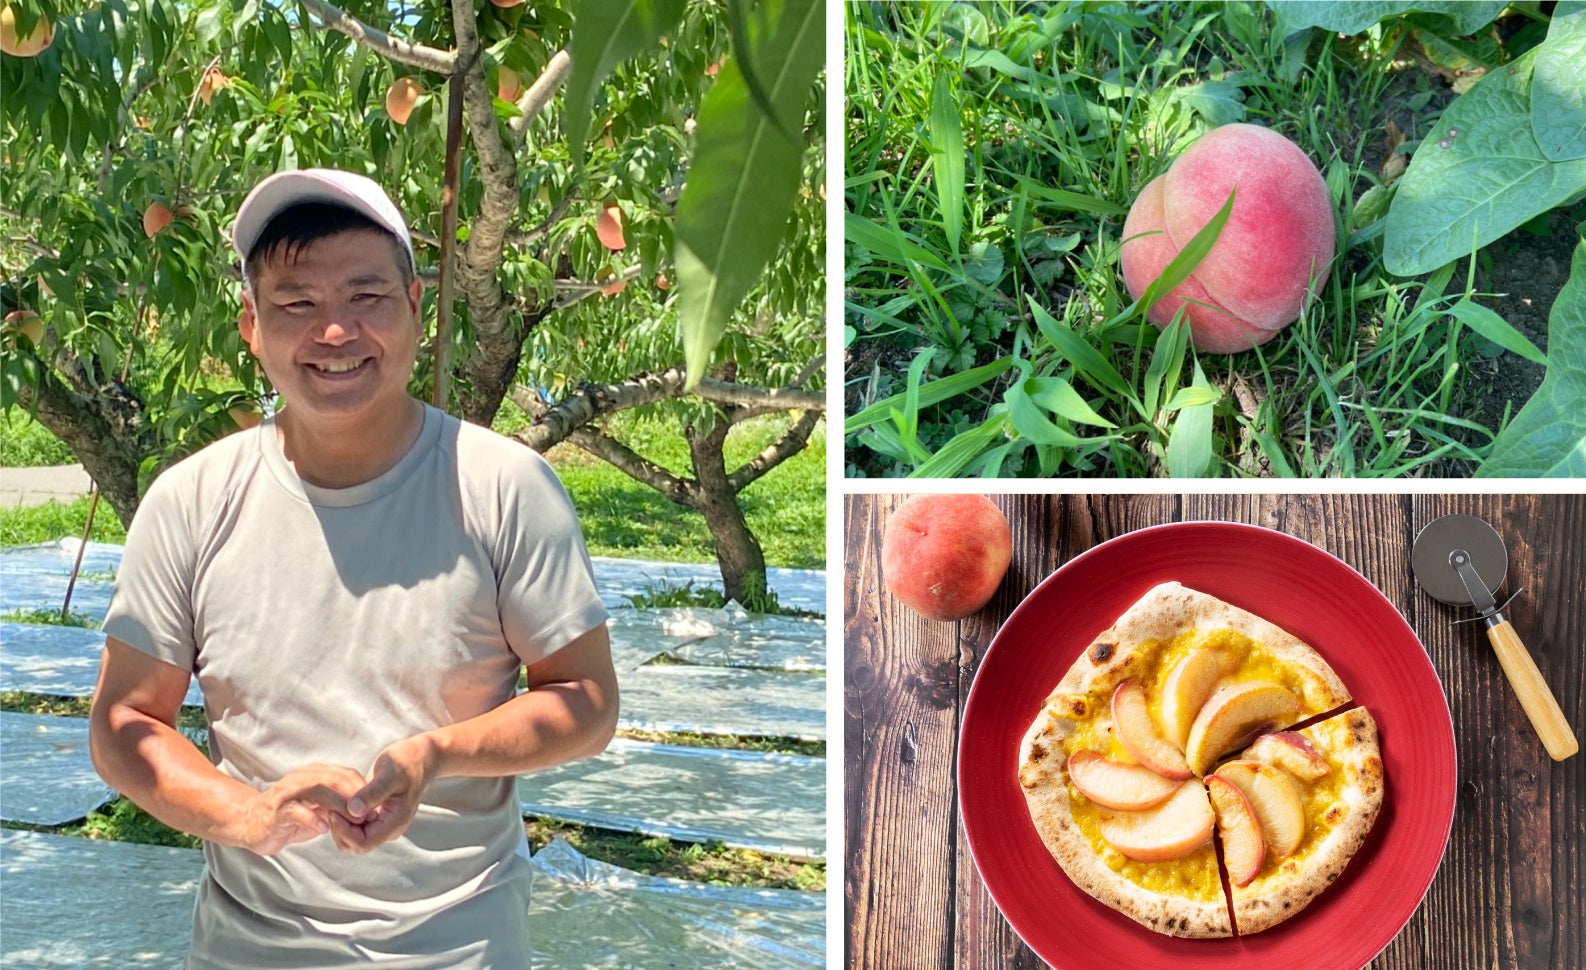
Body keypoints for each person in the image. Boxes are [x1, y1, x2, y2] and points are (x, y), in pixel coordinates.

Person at [89, 168, 619, 969]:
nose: (333, 333)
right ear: (252, 327)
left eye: (365, 297)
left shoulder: (501, 488)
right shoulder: (192, 502)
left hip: (458, 943)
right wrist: (246, 816)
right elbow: (125, 725)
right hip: (251, 947)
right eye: (296, 304)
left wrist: (435, 756)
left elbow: (586, 702)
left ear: (414, 309)